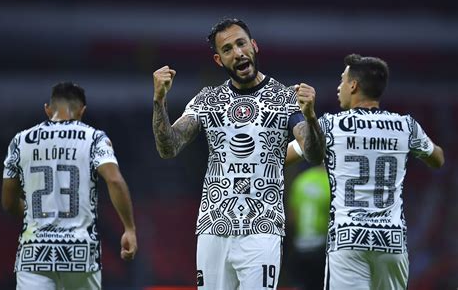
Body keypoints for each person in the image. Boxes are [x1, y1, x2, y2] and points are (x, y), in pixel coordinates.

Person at [152, 17, 325, 289]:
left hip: (262, 229)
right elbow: (168, 147)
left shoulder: (284, 98)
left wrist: (311, 117)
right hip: (213, 227)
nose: (238, 52)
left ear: (254, 46)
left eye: (241, 43)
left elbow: (313, 154)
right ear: (219, 60)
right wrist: (159, 100)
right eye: (228, 49)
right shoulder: (208, 100)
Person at [296, 54, 443, 289]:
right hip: (391, 240)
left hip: (349, 238)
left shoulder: (331, 124)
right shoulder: (405, 125)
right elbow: (437, 159)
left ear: (353, 85)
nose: (339, 87)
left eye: (342, 81)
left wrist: (305, 118)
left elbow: (297, 153)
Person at [2, 82, 138, 290]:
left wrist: (36, 217)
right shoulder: (95, 139)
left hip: (35, 253)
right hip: (80, 252)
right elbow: (114, 180)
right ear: (82, 111)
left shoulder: (20, 142)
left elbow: (8, 202)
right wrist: (129, 228)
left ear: (47, 109)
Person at [287, 164, 330, 290]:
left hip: (300, 246)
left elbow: (292, 216)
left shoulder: (301, 179)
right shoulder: (331, 181)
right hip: (322, 248)